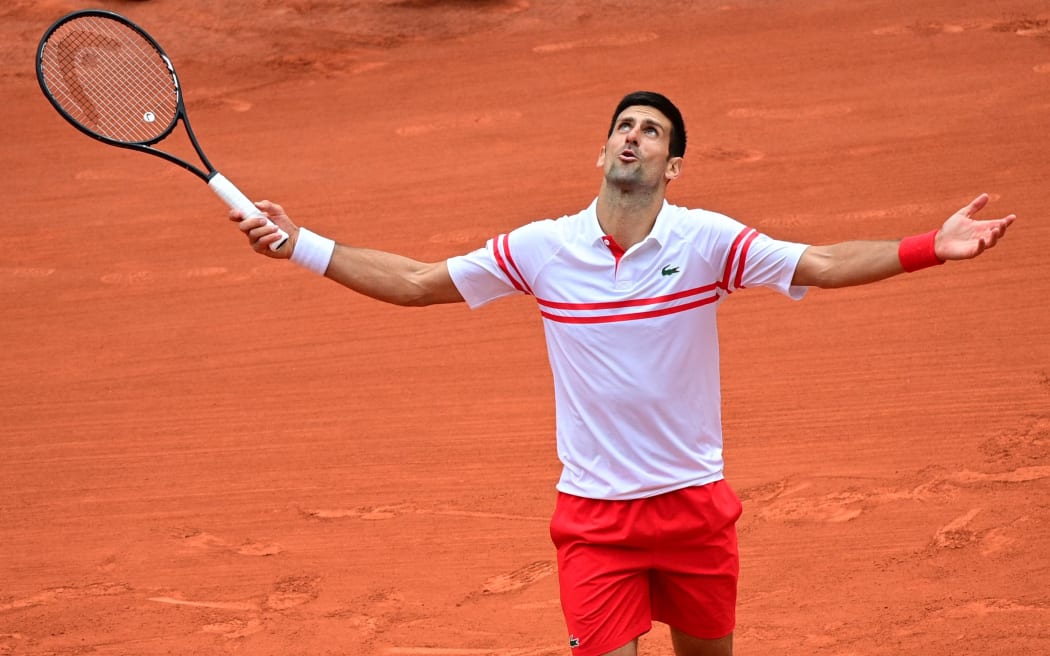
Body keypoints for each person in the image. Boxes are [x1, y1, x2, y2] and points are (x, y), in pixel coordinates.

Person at [229, 91, 1014, 656]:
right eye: (623, 128)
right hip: (596, 521)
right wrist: (302, 244)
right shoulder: (542, 248)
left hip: (694, 509)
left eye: (652, 131)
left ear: (673, 165)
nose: (634, 137)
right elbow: (415, 281)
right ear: (603, 153)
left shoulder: (706, 241)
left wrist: (925, 248)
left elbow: (824, 262)